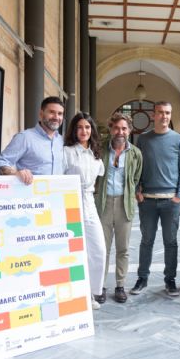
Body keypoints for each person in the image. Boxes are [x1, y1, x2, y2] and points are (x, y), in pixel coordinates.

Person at [132, 101, 180, 296]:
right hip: (147, 200)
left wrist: (179, 195)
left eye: (167, 112)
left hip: (170, 201)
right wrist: (137, 190)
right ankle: (142, 278)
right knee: (146, 240)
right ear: (153, 115)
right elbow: (137, 167)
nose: (164, 116)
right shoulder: (143, 139)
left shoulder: (178, 140)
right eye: (160, 112)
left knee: (170, 242)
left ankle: (170, 280)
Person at [94, 113, 143, 304]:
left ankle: (120, 285)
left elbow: (136, 177)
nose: (120, 132)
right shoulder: (100, 150)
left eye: (124, 128)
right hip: (103, 203)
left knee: (123, 249)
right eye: (116, 128)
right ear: (111, 128)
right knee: (102, 248)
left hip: (125, 203)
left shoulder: (136, 153)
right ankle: (100, 286)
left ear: (129, 130)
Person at [63, 113, 106, 310]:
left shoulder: (96, 155)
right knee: (72, 252)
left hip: (89, 203)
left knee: (98, 250)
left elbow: (97, 182)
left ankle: (92, 293)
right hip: (69, 202)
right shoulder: (67, 152)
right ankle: (74, 296)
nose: (84, 131)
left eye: (87, 127)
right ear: (74, 130)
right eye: (80, 127)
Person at [0, 96, 65, 184]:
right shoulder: (25, 137)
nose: (56, 117)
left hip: (58, 194)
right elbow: (0, 162)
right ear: (41, 113)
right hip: (32, 196)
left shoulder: (60, 140)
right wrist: (15, 173)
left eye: (60, 113)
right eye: (52, 112)